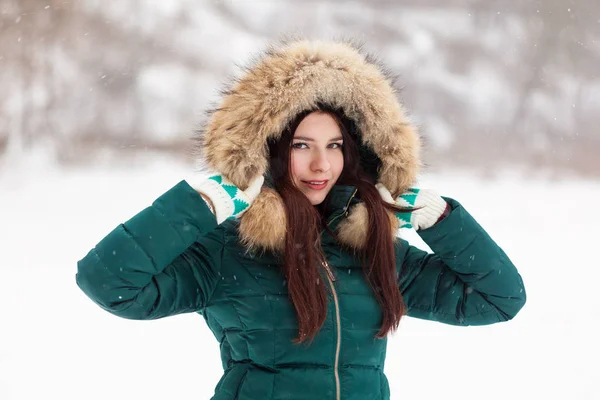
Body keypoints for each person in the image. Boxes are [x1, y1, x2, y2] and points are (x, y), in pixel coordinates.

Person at [76, 39, 526, 400]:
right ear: (270, 150)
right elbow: (108, 283)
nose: (320, 166)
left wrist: (443, 220)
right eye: (300, 145)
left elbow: (498, 299)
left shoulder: (376, 254)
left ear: (357, 154)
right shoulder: (229, 251)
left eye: (334, 146)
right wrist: (196, 207)